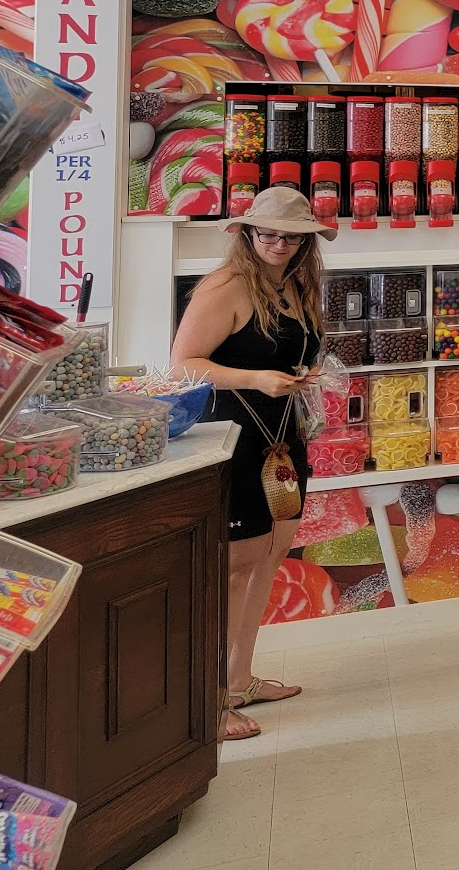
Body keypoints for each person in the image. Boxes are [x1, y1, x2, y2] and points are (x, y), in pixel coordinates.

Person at [168, 186, 327, 743]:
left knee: (273, 552)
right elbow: (182, 365)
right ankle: (210, 701)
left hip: (283, 439)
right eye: (268, 234)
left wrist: (308, 377)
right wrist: (254, 378)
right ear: (247, 233)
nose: (279, 244)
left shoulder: (297, 285)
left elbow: (295, 353)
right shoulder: (226, 286)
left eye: (291, 237)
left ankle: (239, 680)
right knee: (236, 565)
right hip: (234, 438)